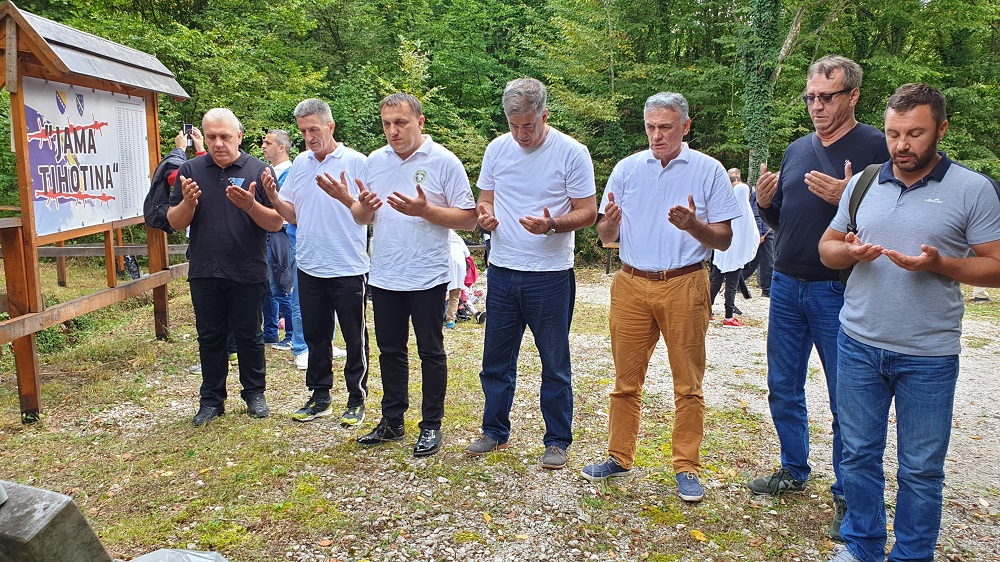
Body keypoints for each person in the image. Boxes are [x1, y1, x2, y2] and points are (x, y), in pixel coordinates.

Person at [818, 83, 1000, 562]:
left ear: (942, 129)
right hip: (857, 342)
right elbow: (827, 247)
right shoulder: (864, 183)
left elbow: (997, 267)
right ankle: (862, 546)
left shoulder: (973, 189)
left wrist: (942, 265)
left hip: (929, 354)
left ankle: (913, 555)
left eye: (915, 134)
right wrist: (850, 253)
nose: (901, 145)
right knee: (858, 454)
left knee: (920, 468)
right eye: (893, 133)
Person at [748, 55, 890, 541]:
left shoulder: (878, 147)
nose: (816, 106)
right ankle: (794, 468)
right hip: (787, 285)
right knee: (782, 385)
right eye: (810, 97)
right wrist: (765, 204)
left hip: (840, 288)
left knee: (845, 397)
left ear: (853, 96)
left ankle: (848, 492)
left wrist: (849, 198)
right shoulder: (797, 149)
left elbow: (896, 221)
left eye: (826, 97)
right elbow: (783, 221)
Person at [579, 92, 739, 503]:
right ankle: (618, 457)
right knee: (625, 380)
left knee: (688, 383)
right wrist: (609, 226)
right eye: (650, 127)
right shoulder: (627, 168)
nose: (656, 135)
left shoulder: (708, 169)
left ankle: (686, 466)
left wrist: (694, 226)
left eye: (665, 127)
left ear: (685, 126)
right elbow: (606, 236)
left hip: (685, 281)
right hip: (631, 282)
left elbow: (724, 238)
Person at [321, 93, 476, 457]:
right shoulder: (375, 161)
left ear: (420, 122)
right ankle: (392, 421)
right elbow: (363, 217)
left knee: (430, 352)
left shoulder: (444, 161)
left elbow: (469, 219)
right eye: (387, 124)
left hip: (427, 275)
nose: (393, 131)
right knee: (390, 352)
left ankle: (431, 425)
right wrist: (357, 204)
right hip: (385, 273)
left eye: (401, 123)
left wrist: (426, 211)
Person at [468, 77, 598, 470]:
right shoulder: (497, 149)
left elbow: (588, 212)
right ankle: (494, 430)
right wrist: (485, 216)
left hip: (550, 275)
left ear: (544, 115)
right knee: (496, 359)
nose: (522, 134)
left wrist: (553, 224)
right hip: (503, 270)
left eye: (529, 125)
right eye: (514, 125)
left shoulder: (571, 152)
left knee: (554, 363)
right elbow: (485, 200)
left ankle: (557, 440)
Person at [167, 108, 284, 426]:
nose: (218, 143)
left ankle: (254, 394)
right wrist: (187, 204)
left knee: (250, 336)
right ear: (204, 137)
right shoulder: (190, 170)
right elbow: (175, 223)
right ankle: (211, 400)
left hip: (248, 269)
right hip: (205, 269)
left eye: (225, 137)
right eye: (211, 137)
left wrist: (251, 205)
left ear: (239, 137)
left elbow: (276, 223)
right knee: (210, 337)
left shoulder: (259, 170)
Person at [262, 99, 371, 427]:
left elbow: (369, 213)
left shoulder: (357, 162)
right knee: (315, 336)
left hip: (348, 265)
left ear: (330, 127)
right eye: (303, 131)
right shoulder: (301, 163)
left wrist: (345, 197)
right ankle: (320, 396)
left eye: (314, 129)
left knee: (354, 337)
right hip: (309, 264)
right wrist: (273, 198)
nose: (309, 137)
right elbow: (293, 214)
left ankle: (356, 397)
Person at [260, 130, 295, 350]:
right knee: (267, 286)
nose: (263, 146)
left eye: (268, 143)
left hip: (282, 236)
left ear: (281, 147)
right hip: (265, 235)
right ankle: (270, 332)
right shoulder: (265, 171)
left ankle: (291, 334)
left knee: (281, 286)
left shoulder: (290, 173)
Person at [709, 172, 758, 327]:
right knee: (731, 284)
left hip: (722, 252)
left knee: (715, 281)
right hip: (735, 255)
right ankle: (728, 316)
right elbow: (752, 234)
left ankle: (707, 311)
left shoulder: (725, 210)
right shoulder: (745, 213)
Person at [733, 167, 774, 297]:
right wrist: (760, 234)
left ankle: (738, 283)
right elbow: (757, 215)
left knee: (756, 260)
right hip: (763, 233)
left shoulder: (769, 193)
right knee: (766, 261)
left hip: (766, 231)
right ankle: (767, 290)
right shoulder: (755, 195)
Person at [445, 230, 471, 329]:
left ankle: (436, 318)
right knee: (455, 295)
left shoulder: (439, 234)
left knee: (439, 293)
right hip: (459, 267)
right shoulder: (458, 238)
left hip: (445, 265)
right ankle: (450, 320)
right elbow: (467, 254)